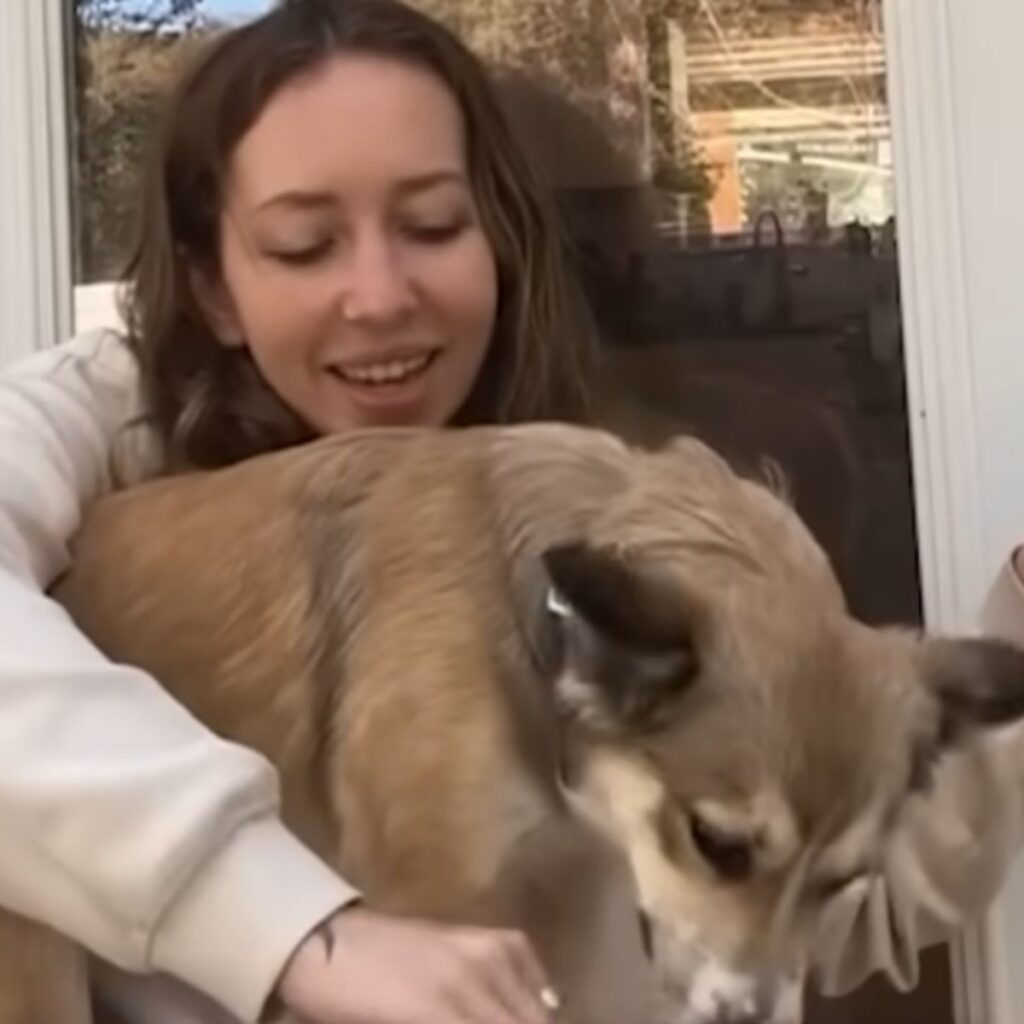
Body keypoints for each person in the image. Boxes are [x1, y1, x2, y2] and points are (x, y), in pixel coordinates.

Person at [0, 0, 1022, 1021]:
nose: (380, 293)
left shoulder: (667, 546)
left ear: (498, 240)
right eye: (306, 244)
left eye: (434, 225)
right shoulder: (98, 427)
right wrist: (294, 927)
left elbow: (805, 901)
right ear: (212, 289)